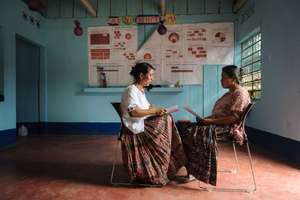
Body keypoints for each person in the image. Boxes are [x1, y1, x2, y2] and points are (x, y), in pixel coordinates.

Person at [178, 65, 251, 186]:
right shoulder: (230, 93)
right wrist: (205, 119)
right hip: (219, 125)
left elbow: (232, 118)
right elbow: (220, 114)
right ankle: (192, 168)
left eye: (223, 77)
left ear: (233, 78)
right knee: (184, 128)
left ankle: (196, 171)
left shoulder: (240, 94)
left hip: (228, 129)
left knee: (190, 133)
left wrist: (209, 122)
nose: (220, 80)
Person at [120, 62, 186, 186]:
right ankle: (163, 161)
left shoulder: (140, 90)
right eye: (150, 75)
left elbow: (147, 107)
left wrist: (158, 110)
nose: (152, 78)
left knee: (166, 117)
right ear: (141, 75)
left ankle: (168, 161)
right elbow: (134, 112)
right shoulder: (130, 90)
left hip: (143, 123)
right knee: (166, 120)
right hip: (136, 127)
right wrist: (154, 110)